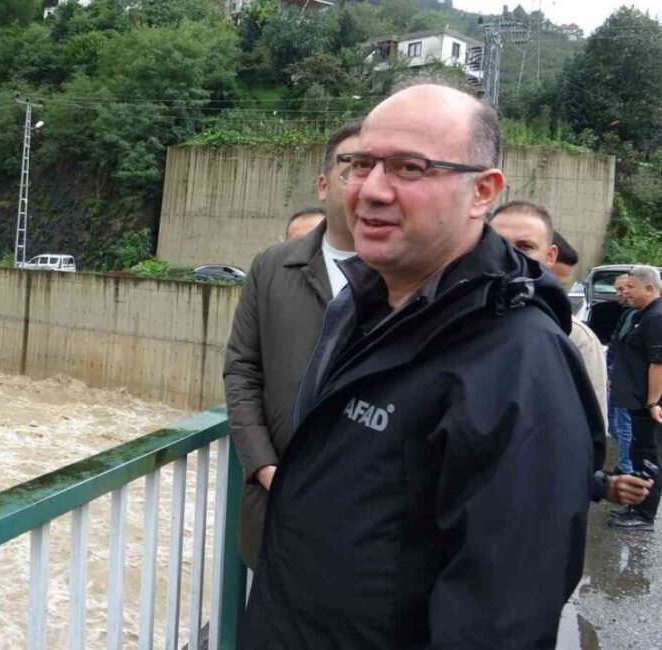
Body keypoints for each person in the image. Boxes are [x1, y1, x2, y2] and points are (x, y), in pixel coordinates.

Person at [241, 83, 597, 648]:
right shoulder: (362, 305)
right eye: (360, 164)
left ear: (482, 191)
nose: (371, 191)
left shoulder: (519, 363)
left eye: (409, 168)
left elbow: (499, 619)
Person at [224, 119, 361, 570]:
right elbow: (242, 370)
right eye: (352, 166)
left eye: (383, 168)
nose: (366, 181)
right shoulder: (273, 267)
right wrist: (265, 469)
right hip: (276, 508)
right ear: (324, 185)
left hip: (364, 521)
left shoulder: (409, 276)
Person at [489, 201, 651, 505]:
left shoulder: (573, 338)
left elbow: (583, 443)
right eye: (499, 244)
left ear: (549, 256)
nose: (510, 257)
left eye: (525, 246)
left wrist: (597, 485)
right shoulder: (450, 323)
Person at [609, 265, 662, 530]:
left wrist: (653, 402)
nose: (627, 292)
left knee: (649, 456)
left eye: (632, 288)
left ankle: (644, 514)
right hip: (637, 400)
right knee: (640, 455)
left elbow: (658, 364)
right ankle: (637, 505)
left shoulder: (656, 317)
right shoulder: (644, 314)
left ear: (649, 288)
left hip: (646, 404)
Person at [609, 274, 635, 474]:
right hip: (618, 377)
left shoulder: (645, 316)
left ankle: (627, 467)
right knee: (615, 425)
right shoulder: (629, 313)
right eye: (617, 289)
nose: (620, 293)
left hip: (627, 382)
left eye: (623, 289)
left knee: (624, 426)